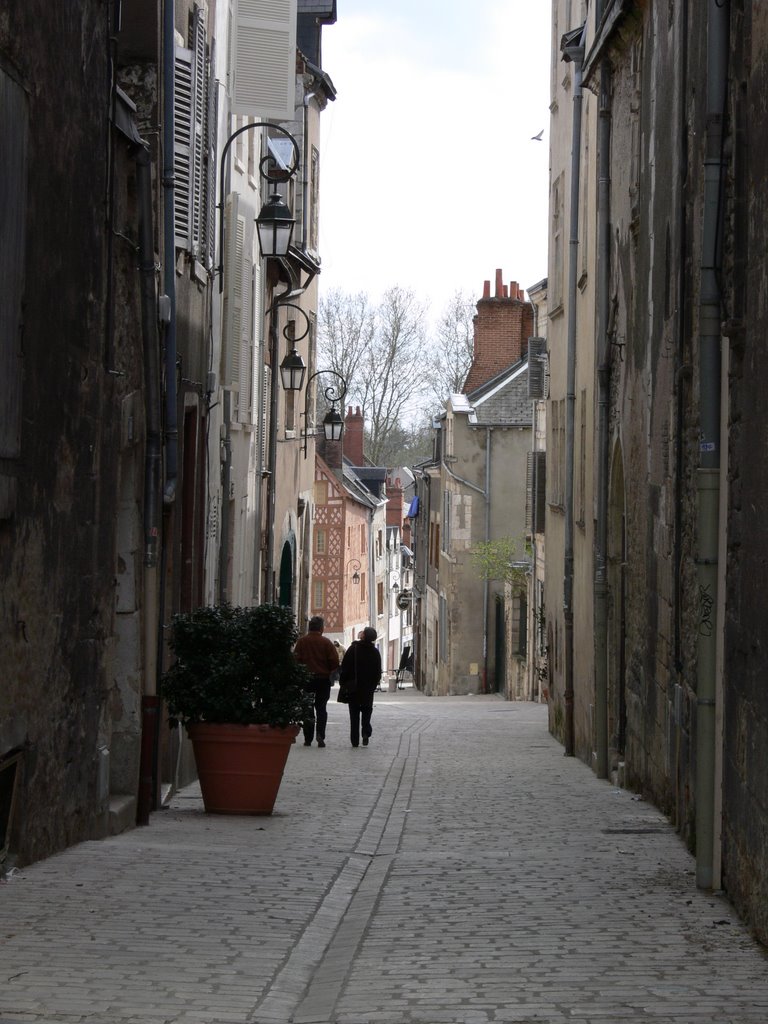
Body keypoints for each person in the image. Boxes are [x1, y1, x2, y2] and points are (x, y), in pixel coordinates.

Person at [293, 615, 339, 748]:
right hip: (323, 680)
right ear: (321, 628)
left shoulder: (302, 642)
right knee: (321, 708)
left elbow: (295, 659)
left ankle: (308, 738)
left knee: (307, 708)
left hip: (306, 680)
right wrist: (329, 670)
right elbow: (334, 661)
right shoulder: (326, 642)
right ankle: (320, 734)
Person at [339, 626, 382, 748]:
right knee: (367, 711)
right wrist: (373, 685)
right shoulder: (375, 652)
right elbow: (378, 672)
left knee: (354, 714)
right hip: (368, 689)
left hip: (354, 688)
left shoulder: (353, 649)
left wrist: (343, 683)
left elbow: (345, 667)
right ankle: (365, 732)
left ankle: (354, 740)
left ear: (363, 636)